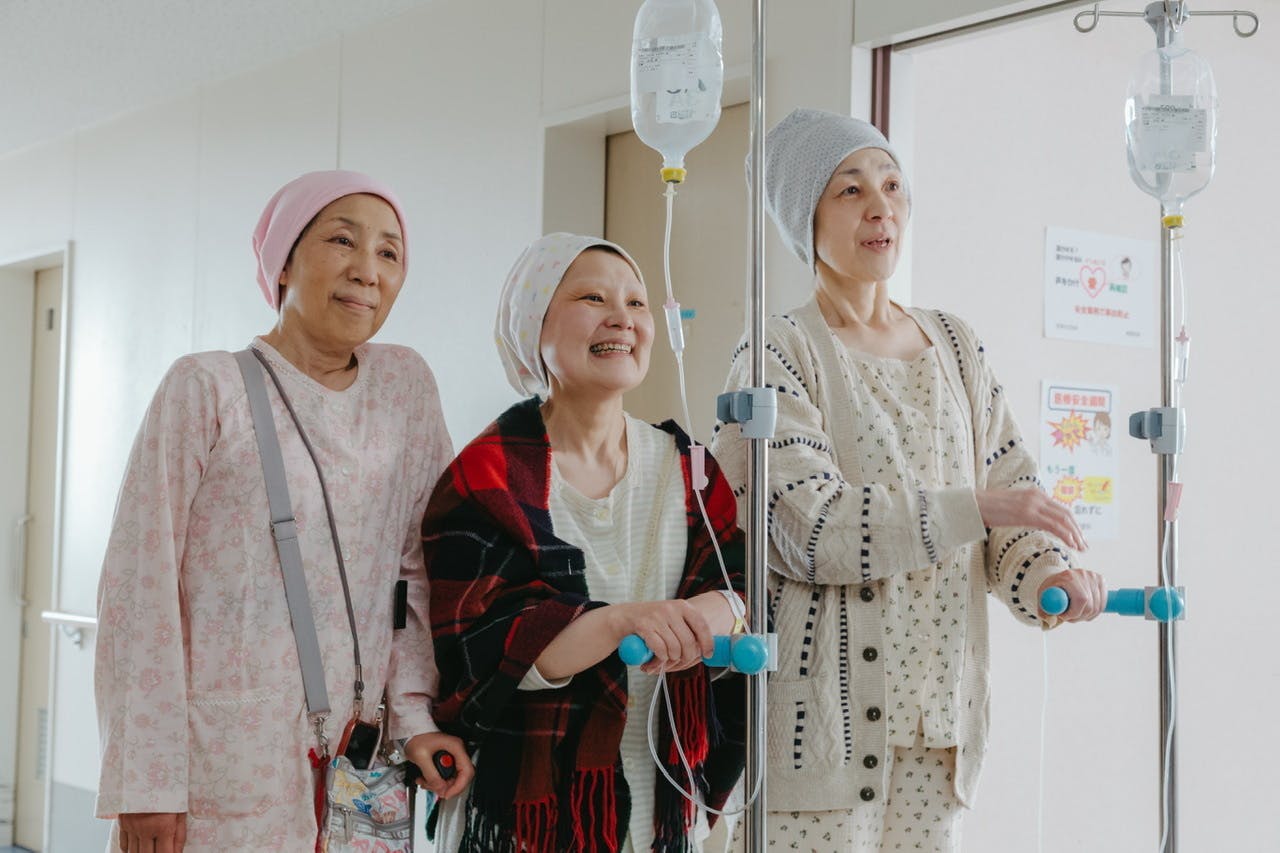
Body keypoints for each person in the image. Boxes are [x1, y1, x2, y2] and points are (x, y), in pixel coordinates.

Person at [710, 109, 1107, 852]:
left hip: (940, 727)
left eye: (893, 186)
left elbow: (1011, 493)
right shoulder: (777, 350)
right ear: (805, 218)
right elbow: (809, 530)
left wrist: (1049, 574)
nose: (880, 207)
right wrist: (977, 508)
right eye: (850, 189)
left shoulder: (955, 343)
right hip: (820, 738)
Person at [94, 170, 473, 852]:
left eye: (389, 252)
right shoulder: (206, 387)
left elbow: (417, 572)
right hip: (222, 766)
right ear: (283, 262)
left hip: (361, 769)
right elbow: (140, 588)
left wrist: (415, 715)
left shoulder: (404, 387)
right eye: (342, 240)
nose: (367, 270)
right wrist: (147, 783)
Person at [423, 233, 747, 852]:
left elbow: (741, 589)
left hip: (665, 813)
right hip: (528, 821)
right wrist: (624, 622)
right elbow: (480, 656)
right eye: (593, 298)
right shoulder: (485, 477)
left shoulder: (690, 467)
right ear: (534, 325)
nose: (621, 318)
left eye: (637, 302)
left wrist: (715, 611)